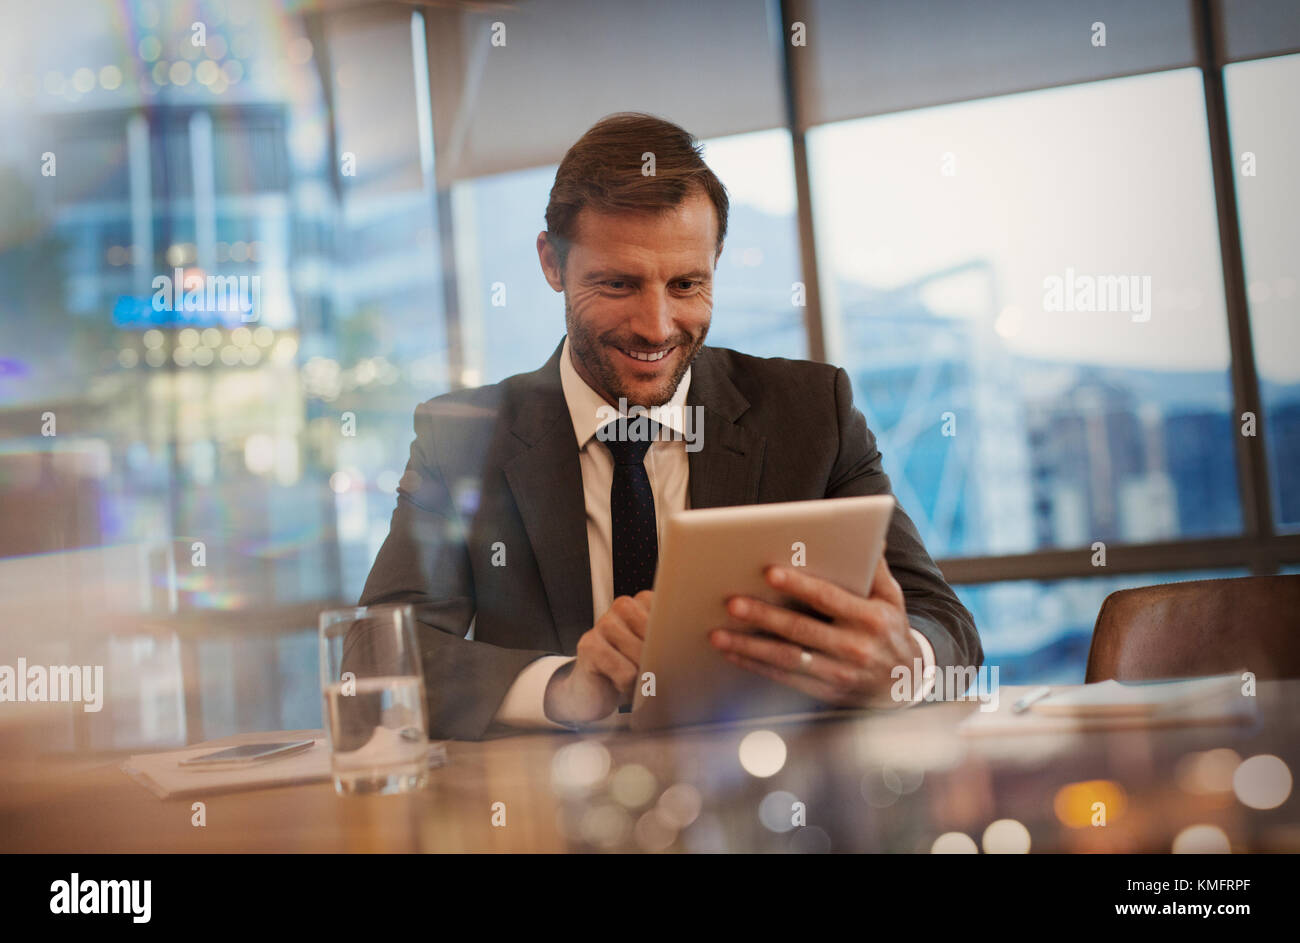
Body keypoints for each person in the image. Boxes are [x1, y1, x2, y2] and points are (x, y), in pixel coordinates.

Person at [359, 112, 982, 740]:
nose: (656, 327)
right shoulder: (461, 438)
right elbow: (379, 659)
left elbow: (945, 625)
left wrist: (904, 662)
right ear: (553, 264)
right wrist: (563, 686)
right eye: (617, 284)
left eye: (687, 284)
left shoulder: (811, 412)